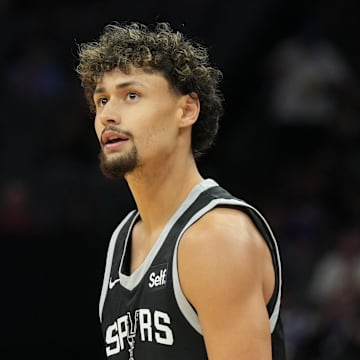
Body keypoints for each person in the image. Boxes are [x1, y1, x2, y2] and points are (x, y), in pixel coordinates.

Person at [76, 21, 286, 359]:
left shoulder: (217, 237)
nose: (108, 116)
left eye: (131, 95)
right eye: (101, 100)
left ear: (186, 110)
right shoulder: (123, 239)